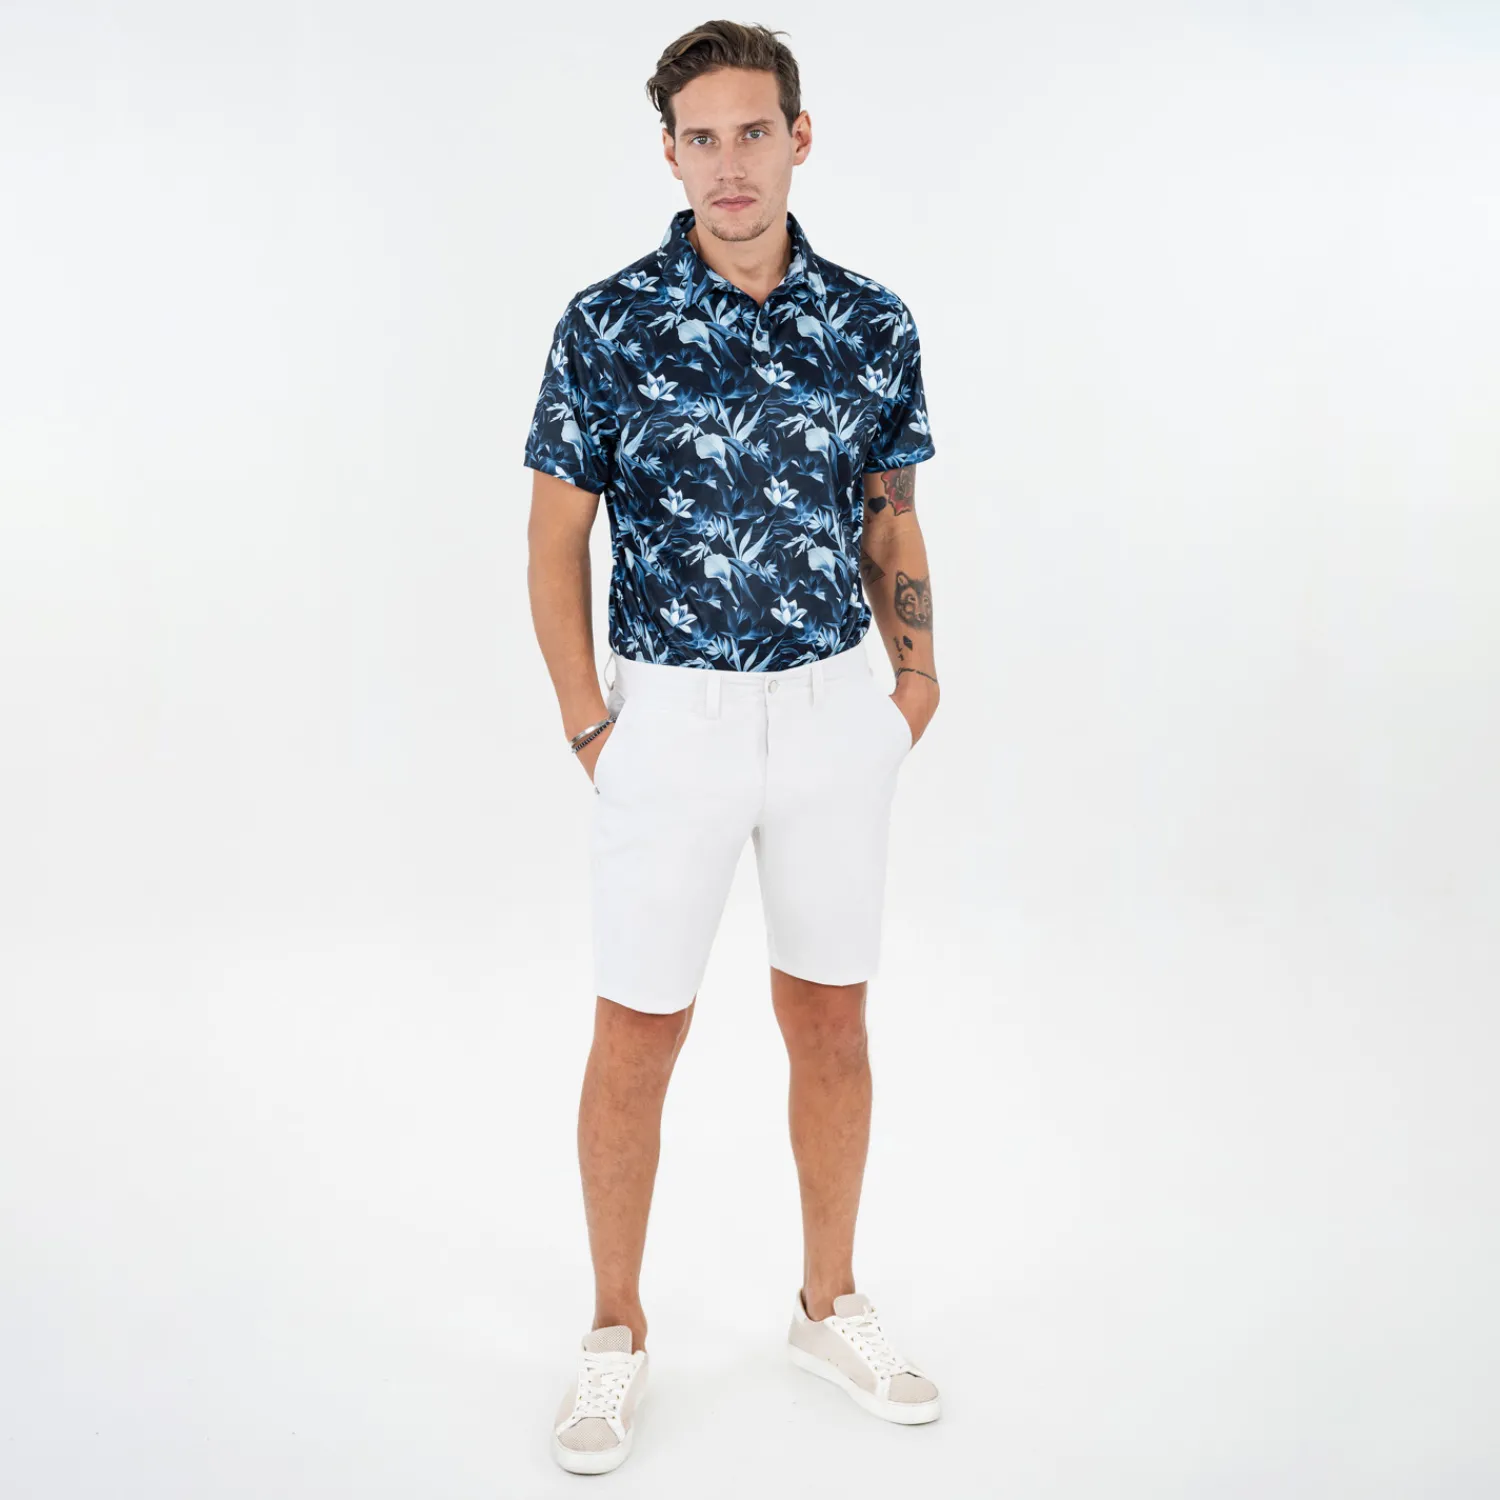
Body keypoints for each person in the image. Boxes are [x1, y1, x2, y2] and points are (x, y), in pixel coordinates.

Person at [523, 21, 942, 1474]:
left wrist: (913, 681)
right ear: (670, 153)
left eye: (752, 131)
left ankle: (829, 1304)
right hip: (670, 721)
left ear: (798, 137)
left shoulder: (872, 321)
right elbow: (555, 540)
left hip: (833, 714)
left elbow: (892, 512)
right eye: (699, 138)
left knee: (831, 1020)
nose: (728, 163)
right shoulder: (607, 324)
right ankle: (614, 1332)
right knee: (637, 1031)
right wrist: (591, 721)